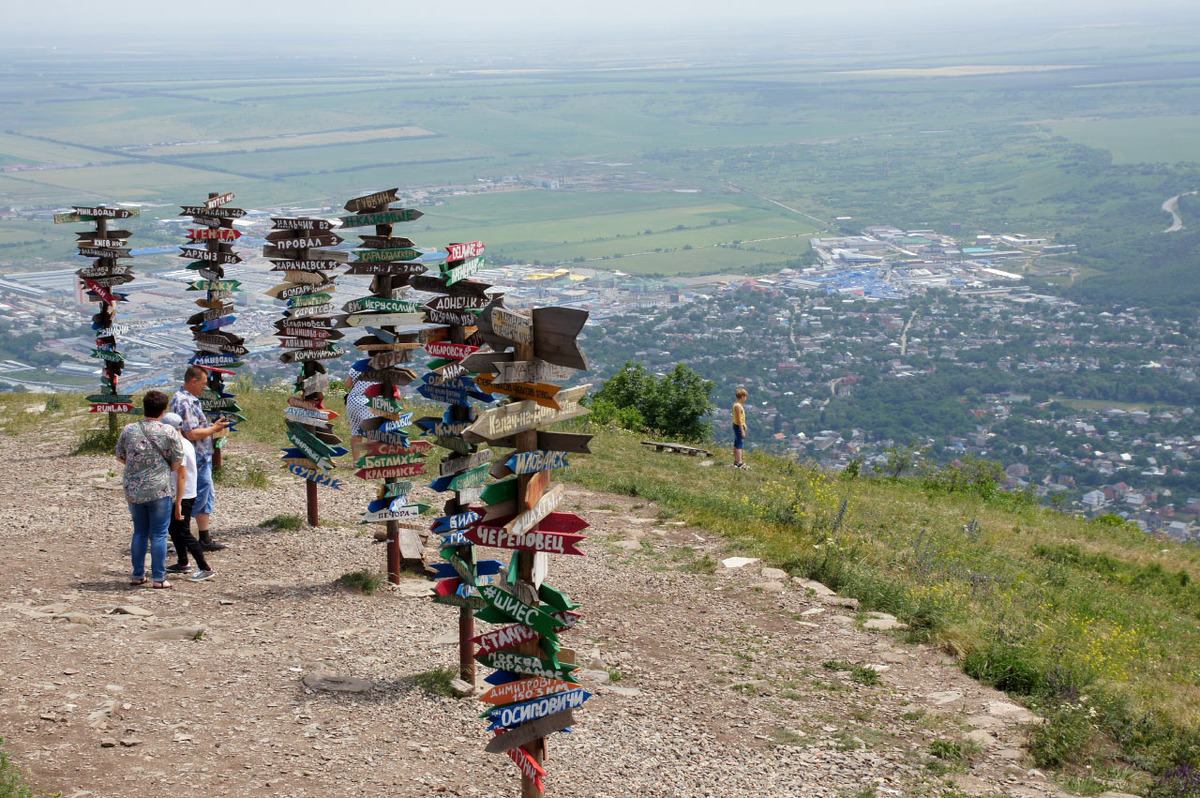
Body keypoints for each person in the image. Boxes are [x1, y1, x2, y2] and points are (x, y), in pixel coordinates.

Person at [116, 390, 185, 589]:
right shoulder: (168, 431)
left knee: (139, 532)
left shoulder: (129, 429)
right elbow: (177, 461)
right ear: (163, 411)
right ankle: (159, 577)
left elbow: (120, 455)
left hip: (134, 489)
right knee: (159, 534)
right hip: (159, 488)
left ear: (144, 407)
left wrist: (137, 468)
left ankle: (138, 574)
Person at [170, 365, 229, 551]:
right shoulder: (185, 402)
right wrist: (214, 429)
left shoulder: (186, 399)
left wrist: (210, 427)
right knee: (193, 496)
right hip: (196, 458)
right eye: (203, 384)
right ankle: (185, 537)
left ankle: (204, 537)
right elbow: (191, 433)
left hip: (201, 457)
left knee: (205, 494)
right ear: (193, 381)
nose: (205, 387)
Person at [161, 412, 215, 581]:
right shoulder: (185, 442)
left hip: (183, 494)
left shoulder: (180, 446)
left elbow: (182, 476)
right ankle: (183, 562)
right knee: (173, 528)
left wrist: (178, 502)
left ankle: (205, 567)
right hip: (182, 493)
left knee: (184, 532)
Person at [732, 387, 749, 470]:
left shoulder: (738, 405)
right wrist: (742, 431)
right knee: (739, 444)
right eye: (745, 397)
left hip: (738, 425)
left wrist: (744, 424)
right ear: (742, 397)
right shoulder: (738, 406)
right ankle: (740, 462)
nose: (746, 399)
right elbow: (738, 419)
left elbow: (741, 418)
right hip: (738, 426)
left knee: (736, 443)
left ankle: (736, 461)